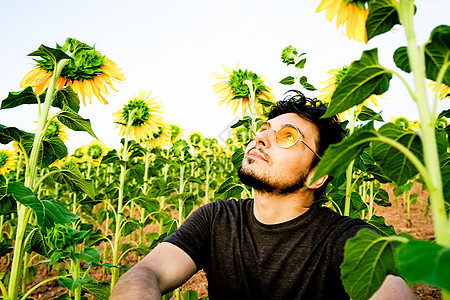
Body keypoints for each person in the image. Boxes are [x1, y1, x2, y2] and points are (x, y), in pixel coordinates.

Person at [111, 91, 415, 299]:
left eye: (288, 136)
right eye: (266, 128)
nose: (261, 136)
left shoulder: (345, 239)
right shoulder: (217, 219)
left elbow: (390, 289)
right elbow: (147, 272)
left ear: (317, 176)